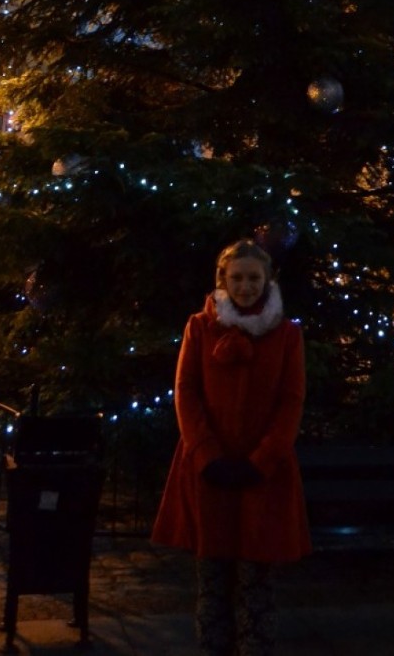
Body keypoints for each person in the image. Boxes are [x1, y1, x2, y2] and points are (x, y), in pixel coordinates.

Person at [152, 239, 311, 656]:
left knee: (257, 579)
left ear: (267, 280)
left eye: (253, 278)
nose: (245, 286)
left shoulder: (288, 335)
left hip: (264, 475)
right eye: (236, 277)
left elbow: (291, 400)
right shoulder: (199, 327)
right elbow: (186, 393)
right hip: (211, 471)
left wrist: (263, 459)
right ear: (222, 279)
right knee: (212, 575)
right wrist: (205, 454)